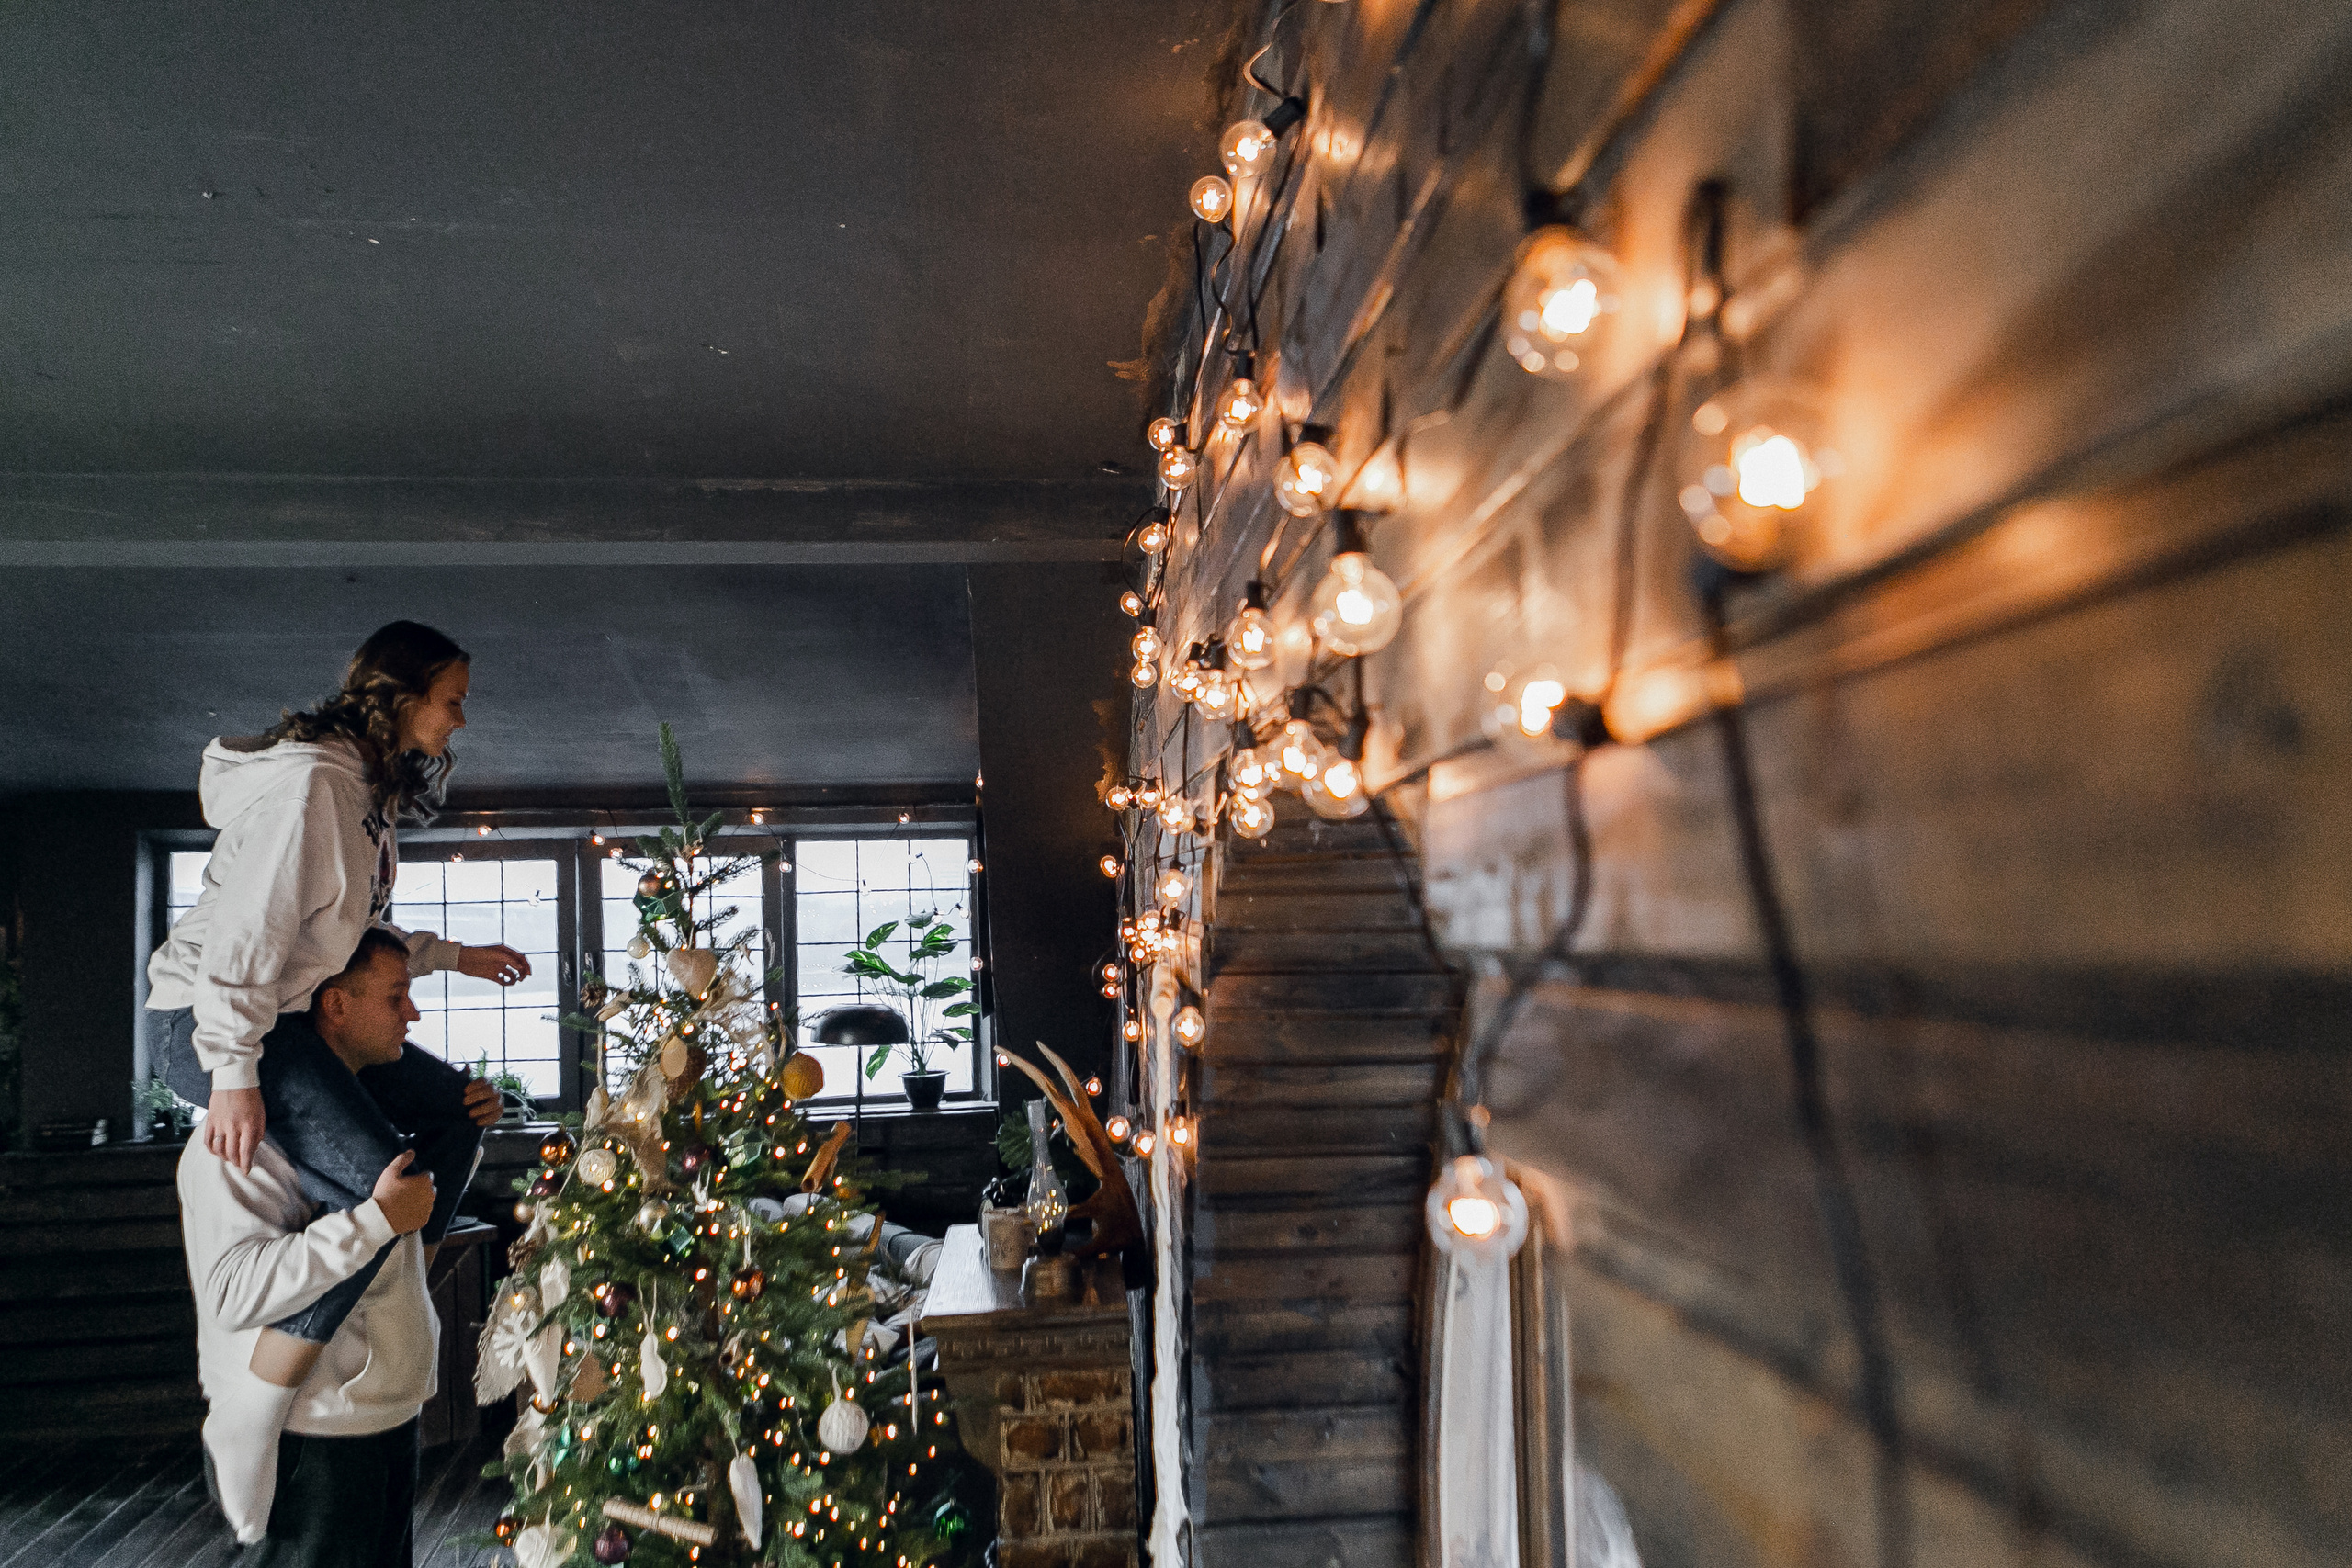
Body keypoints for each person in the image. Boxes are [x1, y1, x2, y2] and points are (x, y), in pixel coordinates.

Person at [145, 622, 527, 1510]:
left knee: (454, 1112)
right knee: (387, 1186)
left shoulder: (365, 790)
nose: (460, 719)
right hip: (213, 1021)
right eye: (452, 699)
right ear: (401, 696)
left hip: (286, 1022)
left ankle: (379, 1275)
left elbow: (348, 934)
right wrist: (234, 1071)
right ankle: (252, 1406)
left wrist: (452, 955)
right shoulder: (314, 786)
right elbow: (246, 939)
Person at [182, 927, 502, 1558]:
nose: (412, 1011)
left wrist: (465, 1130)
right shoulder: (238, 1141)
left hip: (388, 1414)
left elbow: (401, 1252)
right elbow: (232, 1292)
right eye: (395, 995)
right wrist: (375, 1221)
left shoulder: (374, 1132)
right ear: (335, 1005)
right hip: (315, 1433)